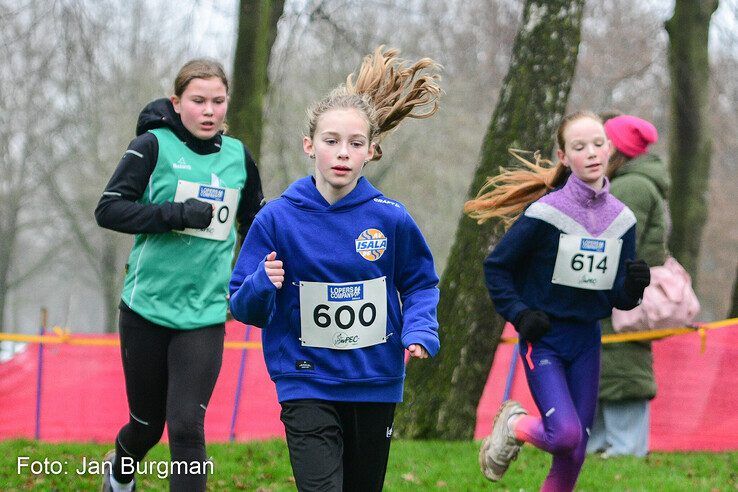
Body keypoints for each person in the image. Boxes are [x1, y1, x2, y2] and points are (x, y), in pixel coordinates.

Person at [228, 46, 442, 491]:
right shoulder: (277, 219)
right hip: (304, 380)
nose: (342, 153)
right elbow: (241, 305)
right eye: (331, 141)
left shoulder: (391, 218)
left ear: (371, 151)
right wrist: (262, 285)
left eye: (355, 143)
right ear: (310, 146)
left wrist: (421, 328)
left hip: (375, 380)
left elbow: (420, 282)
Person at [95, 58, 264, 492]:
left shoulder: (239, 158)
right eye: (198, 101)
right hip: (146, 309)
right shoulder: (153, 146)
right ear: (177, 102)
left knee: (187, 428)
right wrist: (172, 214)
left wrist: (245, 282)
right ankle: (118, 474)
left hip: (205, 314)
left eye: (218, 101)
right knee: (147, 426)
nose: (209, 111)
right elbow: (109, 208)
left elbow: (255, 227)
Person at [467, 111, 651, 491]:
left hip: (587, 340)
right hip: (545, 337)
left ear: (610, 148)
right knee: (565, 435)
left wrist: (634, 288)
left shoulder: (623, 220)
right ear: (564, 156)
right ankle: (514, 424)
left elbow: (617, 296)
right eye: (579, 147)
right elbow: (496, 268)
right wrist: (520, 315)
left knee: (575, 453)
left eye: (598, 144)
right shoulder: (545, 213)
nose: (591, 153)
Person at [586, 113, 669, 458]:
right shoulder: (632, 182)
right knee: (611, 370)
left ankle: (622, 453)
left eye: (603, 143)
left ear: (618, 149)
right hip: (615, 300)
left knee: (622, 369)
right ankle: (605, 452)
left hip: (619, 299)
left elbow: (611, 242)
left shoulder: (630, 186)